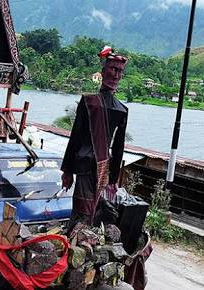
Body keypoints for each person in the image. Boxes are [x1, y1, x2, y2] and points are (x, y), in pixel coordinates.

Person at [61, 47, 129, 231]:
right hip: (97, 168)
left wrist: (113, 179)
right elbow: (76, 137)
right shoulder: (94, 103)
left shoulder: (114, 108)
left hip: (96, 168)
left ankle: (80, 243)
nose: (116, 75)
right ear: (104, 71)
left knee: (87, 213)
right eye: (113, 69)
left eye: (120, 71)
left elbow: (118, 147)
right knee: (87, 212)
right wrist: (68, 171)